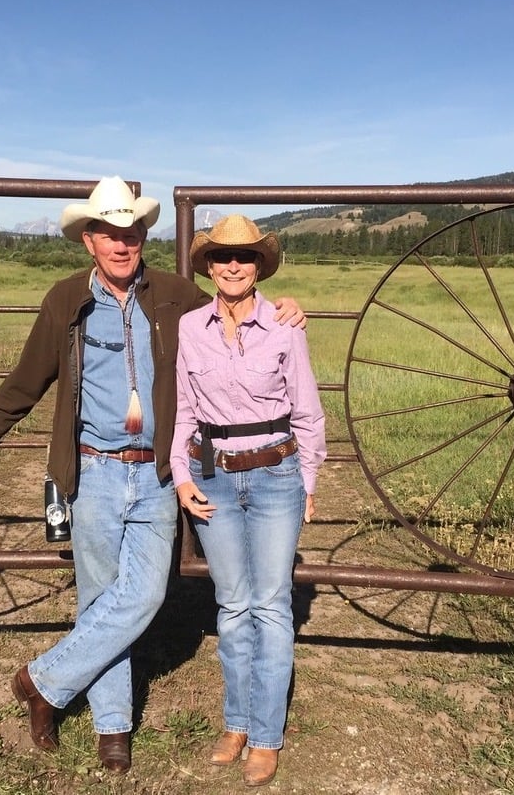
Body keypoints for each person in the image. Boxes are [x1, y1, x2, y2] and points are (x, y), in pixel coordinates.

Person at [0, 177, 306, 774]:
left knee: (144, 593)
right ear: (88, 240)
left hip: (157, 475)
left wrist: (287, 309)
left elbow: (236, 306)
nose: (122, 244)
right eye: (109, 235)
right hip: (92, 468)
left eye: (132, 233)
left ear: (144, 236)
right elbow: (30, 373)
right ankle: (111, 726)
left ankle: (41, 681)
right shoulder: (66, 299)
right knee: (97, 599)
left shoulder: (174, 295)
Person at [171, 214, 327, 787]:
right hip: (212, 476)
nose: (232, 265)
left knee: (271, 603)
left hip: (275, 476)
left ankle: (265, 735)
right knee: (232, 605)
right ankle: (235, 721)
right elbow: (184, 409)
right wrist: (181, 474)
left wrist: (308, 481)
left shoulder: (286, 326)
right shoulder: (191, 327)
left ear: (259, 265)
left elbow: (308, 411)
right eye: (221, 257)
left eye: (243, 256)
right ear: (208, 266)